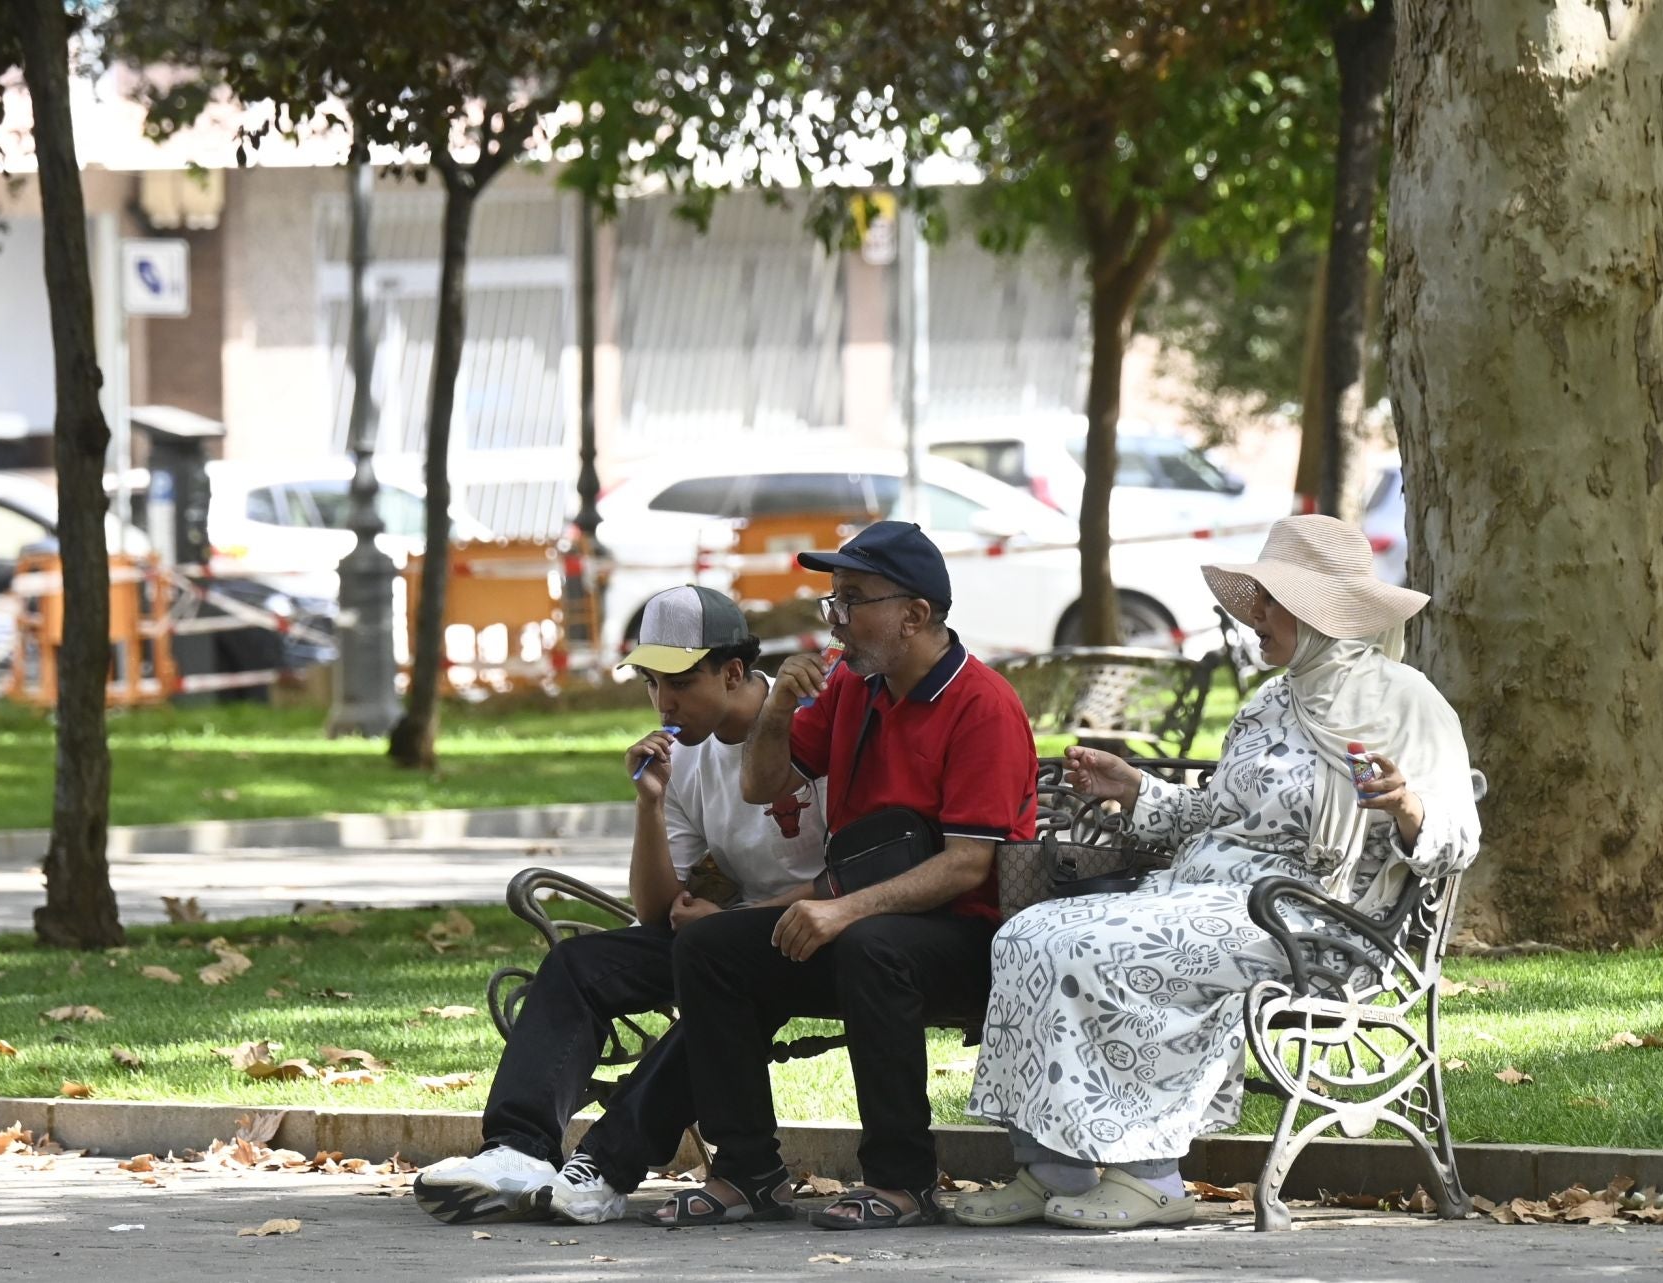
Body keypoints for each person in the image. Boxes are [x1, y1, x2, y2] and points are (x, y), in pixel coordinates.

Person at [957, 514, 1480, 1231]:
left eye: (1271, 600)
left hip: (1316, 922)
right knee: (1028, 933)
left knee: (1104, 945)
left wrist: (1411, 807)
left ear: (1320, 614)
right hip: (1205, 894)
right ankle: (1051, 1163)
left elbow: (1461, 834)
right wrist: (1136, 788)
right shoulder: (1271, 700)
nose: (1255, 616)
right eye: (1258, 598)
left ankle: (1150, 1172)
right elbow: (1218, 816)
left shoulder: (1404, 700)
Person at [644, 520, 1039, 1231]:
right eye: (833, 600)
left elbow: (968, 863)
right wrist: (776, 712)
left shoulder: (983, 704)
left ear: (913, 614)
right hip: (870, 927)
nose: (835, 619)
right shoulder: (855, 688)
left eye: (852, 600)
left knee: (871, 945)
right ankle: (748, 1170)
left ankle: (902, 1180)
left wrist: (841, 908)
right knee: (709, 949)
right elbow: (764, 787)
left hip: (968, 940)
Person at [413, 585, 826, 1226]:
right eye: (651, 684)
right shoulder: (684, 756)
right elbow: (658, 911)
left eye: (680, 683)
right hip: (720, 936)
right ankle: (517, 1151)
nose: (664, 703)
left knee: (714, 973)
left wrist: (736, 921)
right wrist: (650, 805)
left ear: (735, 671)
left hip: (818, 935)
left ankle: (606, 1167)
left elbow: (852, 875)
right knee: (581, 965)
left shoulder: (811, 726)